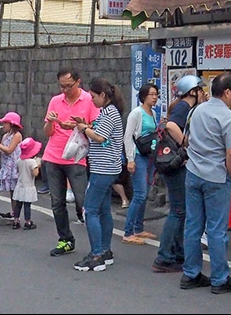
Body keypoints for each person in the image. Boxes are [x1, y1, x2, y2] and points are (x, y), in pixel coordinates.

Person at [180, 72, 231, 295]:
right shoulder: (229, 117)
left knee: (193, 226)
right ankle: (219, 278)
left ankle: (191, 273)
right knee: (216, 230)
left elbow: (186, 140)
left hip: (193, 173)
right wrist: (230, 175)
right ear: (227, 92)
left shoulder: (196, 110)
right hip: (217, 176)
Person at [41, 67, 98, 257]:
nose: (65, 90)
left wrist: (73, 125)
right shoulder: (55, 101)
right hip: (53, 156)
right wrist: (51, 122)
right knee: (57, 203)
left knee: (83, 202)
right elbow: (47, 132)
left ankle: (96, 245)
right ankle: (66, 239)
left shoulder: (89, 100)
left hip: (76, 157)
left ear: (78, 82)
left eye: (69, 86)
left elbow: (95, 128)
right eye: (62, 86)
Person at [151, 74, 205, 274]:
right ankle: (164, 257)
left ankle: (177, 254)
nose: (203, 93)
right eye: (200, 89)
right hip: (175, 166)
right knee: (178, 211)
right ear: (193, 92)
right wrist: (185, 144)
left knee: (180, 211)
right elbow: (171, 126)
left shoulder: (184, 107)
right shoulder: (184, 107)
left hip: (174, 165)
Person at [73, 78, 125, 272]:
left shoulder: (109, 113)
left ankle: (96, 254)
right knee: (103, 210)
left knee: (91, 210)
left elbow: (101, 137)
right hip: (106, 167)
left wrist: (84, 128)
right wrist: (85, 126)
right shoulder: (108, 111)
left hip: (103, 168)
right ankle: (105, 250)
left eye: (93, 96)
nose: (92, 100)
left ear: (103, 95)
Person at [123, 83, 159, 244]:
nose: (154, 97)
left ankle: (138, 228)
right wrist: (130, 159)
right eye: (151, 94)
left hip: (149, 156)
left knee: (144, 195)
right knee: (139, 194)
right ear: (144, 96)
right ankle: (128, 232)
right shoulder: (136, 113)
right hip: (138, 156)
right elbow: (128, 136)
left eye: (156, 94)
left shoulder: (153, 113)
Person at [0, 111, 24, 226]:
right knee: (11, 190)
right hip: (6, 165)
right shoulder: (5, 136)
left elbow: (9, 150)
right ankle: (13, 212)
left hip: (14, 165)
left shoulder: (17, 135)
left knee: (15, 190)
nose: (3, 125)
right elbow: (2, 150)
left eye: (5, 123)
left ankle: (16, 214)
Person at [13, 136, 42, 230]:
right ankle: (27, 222)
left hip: (20, 186)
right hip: (28, 186)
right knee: (27, 205)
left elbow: (17, 171)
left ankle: (16, 221)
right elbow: (35, 174)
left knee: (18, 204)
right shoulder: (32, 162)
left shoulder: (19, 160)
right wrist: (38, 165)